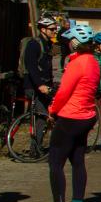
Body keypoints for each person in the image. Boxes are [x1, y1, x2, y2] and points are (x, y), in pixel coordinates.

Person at [41, 24, 100, 202]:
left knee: (56, 162)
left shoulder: (77, 63)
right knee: (77, 160)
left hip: (70, 116)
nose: (66, 46)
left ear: (74, 43)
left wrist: (52, 111)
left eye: (68, 42)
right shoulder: (93, 61)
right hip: (86, 116)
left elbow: (63, 92)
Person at [20, 15, 58, 148]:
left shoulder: (48, 44)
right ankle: (35, 149)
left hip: (44, 85)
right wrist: (40, 85)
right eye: (52, 29)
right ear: (43, 29)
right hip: (33, 86)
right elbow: (31, 67)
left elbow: (47, 68)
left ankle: (39, 145)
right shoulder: (34, 44)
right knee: (41, 116)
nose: (55, 31)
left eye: (55, 28)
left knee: (51, 113)